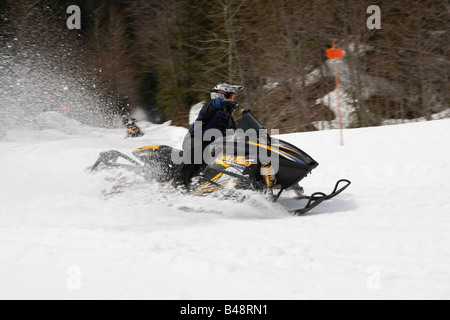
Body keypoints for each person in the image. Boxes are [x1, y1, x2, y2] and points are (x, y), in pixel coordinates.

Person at [172, 83, 243, 189]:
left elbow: (235, 133)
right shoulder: (210, 108)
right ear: (221, 95)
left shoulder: (229, 119)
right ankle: (179, 181)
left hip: (213, 146)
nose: (232, 100)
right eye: (230, 96)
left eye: (232, 97)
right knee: (198, 148)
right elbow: (214, 105)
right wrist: (222, 102)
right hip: (195, 140)